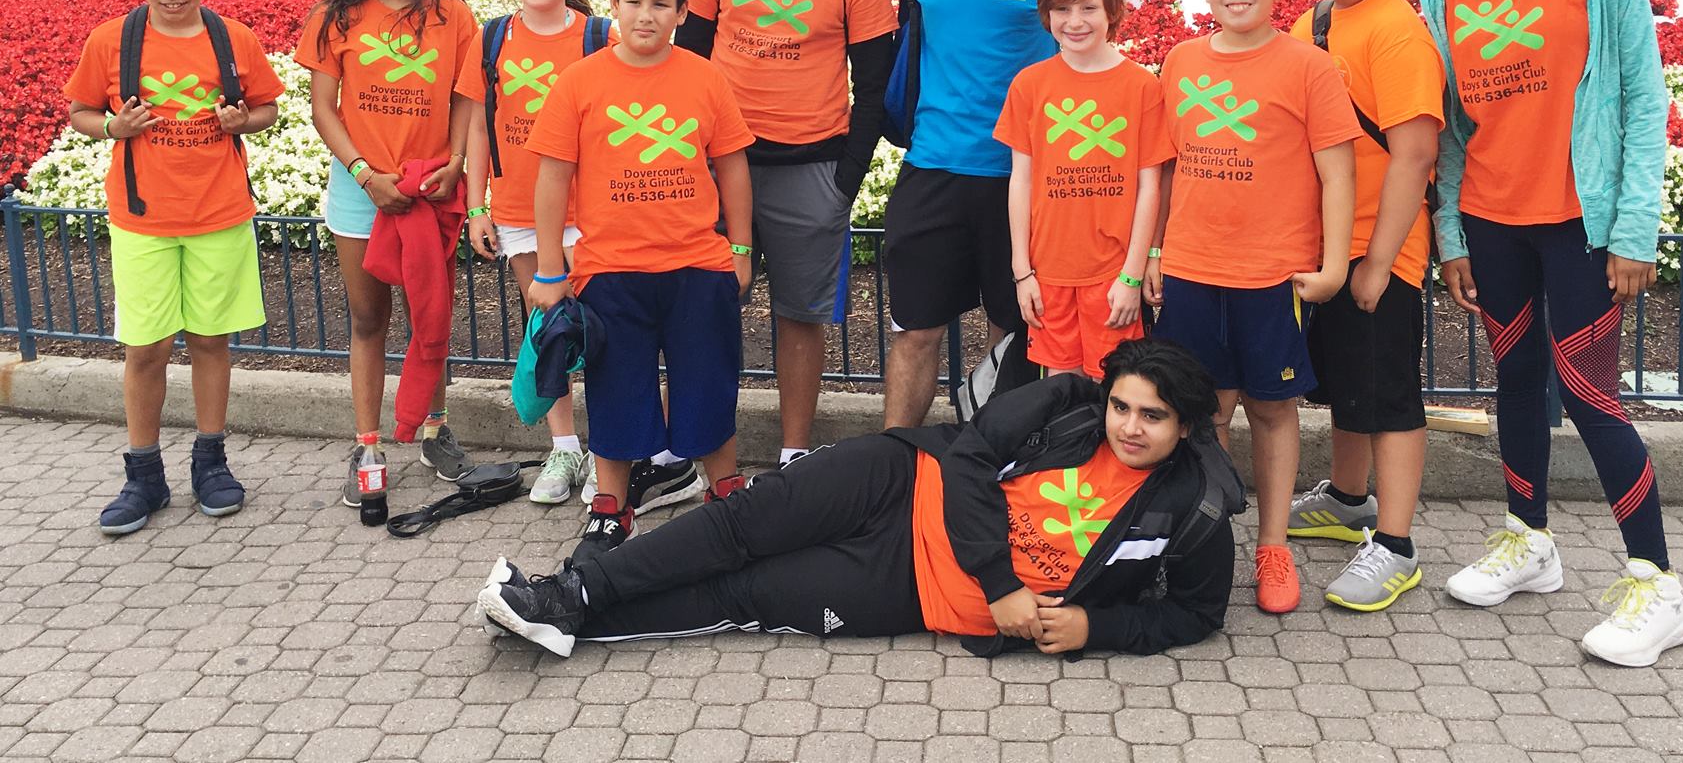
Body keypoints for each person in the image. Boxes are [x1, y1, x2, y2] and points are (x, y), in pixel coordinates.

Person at [476, 338, 1242, 659]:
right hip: (905, 480)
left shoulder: (1197, 506)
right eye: (1123, 407)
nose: (1129, 427)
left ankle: (559, 625)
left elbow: (1195, 615)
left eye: (1153, 417)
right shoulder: (1070, 401)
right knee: (742, 522)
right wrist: (1006, 580)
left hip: (919, 589)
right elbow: (972, 457)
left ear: (1186, 427)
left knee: (748, 596)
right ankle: (570, 592)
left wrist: (1091, 627)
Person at [1421, 0, 1683, 667]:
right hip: (1495, 221)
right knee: (1515, 380)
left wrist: (1634, 232)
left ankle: (1657, 582)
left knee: (1589, 394)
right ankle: (1528, 541)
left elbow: (1644, 104)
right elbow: (1454, 129)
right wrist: (1453, 235)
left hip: (1581, 221)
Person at [1146, 0, 1359, 615]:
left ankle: (1273, 547)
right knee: (1200, 415)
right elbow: (1169, 169)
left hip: (1273, 276)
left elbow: (1337, 175)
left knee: (1272, 407)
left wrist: (1330, 268)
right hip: (1190, 270)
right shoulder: (1180, 63)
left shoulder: (1308, 67)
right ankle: (1196, 542)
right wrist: (1153, 251)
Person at [676, 0, 897, 468]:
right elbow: (688, 52)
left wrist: (845, 181)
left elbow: (875, 81)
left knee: (802, 320)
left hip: (812, 170)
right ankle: (702, 452)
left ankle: (794, 453)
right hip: (720, 165)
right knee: (706, 313)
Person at [524, 0, 756, 554]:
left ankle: (726, 490)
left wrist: (741, 247)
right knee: (617, 388)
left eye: (661, 4)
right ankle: (612, 506)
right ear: (613, 5)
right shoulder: (580, 81)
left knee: (708, 382)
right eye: (634, 2)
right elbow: (552, 177)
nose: (646, 16)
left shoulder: (705, 77)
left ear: (682, 11)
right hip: (610, 272)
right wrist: (550, 268)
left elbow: (732, 166)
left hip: (696, 268)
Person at [63, 0, 285, 535]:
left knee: (212, 340)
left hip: (218, 213)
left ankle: (211, 461)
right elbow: (82, 109)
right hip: (143, 218)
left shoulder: (232, 39)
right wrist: (113, 128)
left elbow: (267, 105)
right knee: (147, 347)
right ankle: (144, 475)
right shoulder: (111, 41)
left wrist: (243, 121)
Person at [874, 0, 1081, 427]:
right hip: (935, 163)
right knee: (915, 332)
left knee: (1015, 335)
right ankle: (892, 472)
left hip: (1023, 174)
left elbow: (1089, 37)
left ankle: (999, 469)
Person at [1284, 0, 1444, 612]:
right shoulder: (1315, 21)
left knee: (1386, 397)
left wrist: (1380, 261)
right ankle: (1348, 502)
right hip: (1322, 245)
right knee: (1343, 380)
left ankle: (1398, 545)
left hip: (1379, 248)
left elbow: (1414, 154)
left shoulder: (1396, 30)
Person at [295, 0, 479, 509]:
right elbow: (324, 107)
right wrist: (363, 172)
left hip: (430, 190)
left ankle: (435, 428)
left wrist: (454, 165)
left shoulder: (452, 15)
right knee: (368, 319)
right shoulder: (336, 17)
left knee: (430, 317)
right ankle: (368, 443)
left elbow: (464, 98)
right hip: (359, 190)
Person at [457, 0, 611, 507]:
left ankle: (609, 452)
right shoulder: (493, 38)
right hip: (519, 205)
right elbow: (476, 127)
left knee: (602, 328)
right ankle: (565, 446)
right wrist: (476, 207)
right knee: (547, 329)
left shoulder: (599, 35)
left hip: (589, 207)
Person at [994, 0, 1169, 380]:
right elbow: (1021, 181)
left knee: (1112, 387)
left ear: (1112, 12)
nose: (1075, 22)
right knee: (1060, 395)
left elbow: (1151, 186)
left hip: (1110, 274)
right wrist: (1023, 273)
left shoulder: (1142, 87)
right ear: (1046, 14)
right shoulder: (1030, 85)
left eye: (1089, 8)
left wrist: (1131, 276)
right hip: (1049, 272)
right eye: (1062, 9)